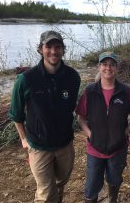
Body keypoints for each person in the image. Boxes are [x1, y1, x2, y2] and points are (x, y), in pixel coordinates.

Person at [9, 30, 81, 202]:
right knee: (45, 192)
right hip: (39, 147)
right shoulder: (26, 79)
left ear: (63, 50)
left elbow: (71, 107)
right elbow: (16, 113)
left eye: (58, 47)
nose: (53, 51)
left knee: (61, 182)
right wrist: (23, 139)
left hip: (65, 144)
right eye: (48, 46)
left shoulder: (73, 77)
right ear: (40, 49)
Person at [76, 51, 130, 203]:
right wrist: (90, 134)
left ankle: (112, 199)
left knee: (114, 179)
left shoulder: (125, 91)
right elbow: (81, 118)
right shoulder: (90, 91)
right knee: (92, 184)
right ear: (99, 67)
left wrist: (126, 132)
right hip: (95, 149)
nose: (108, 68)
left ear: (117, 68)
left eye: (112, 65)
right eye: (104, 64)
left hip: (118, 148)